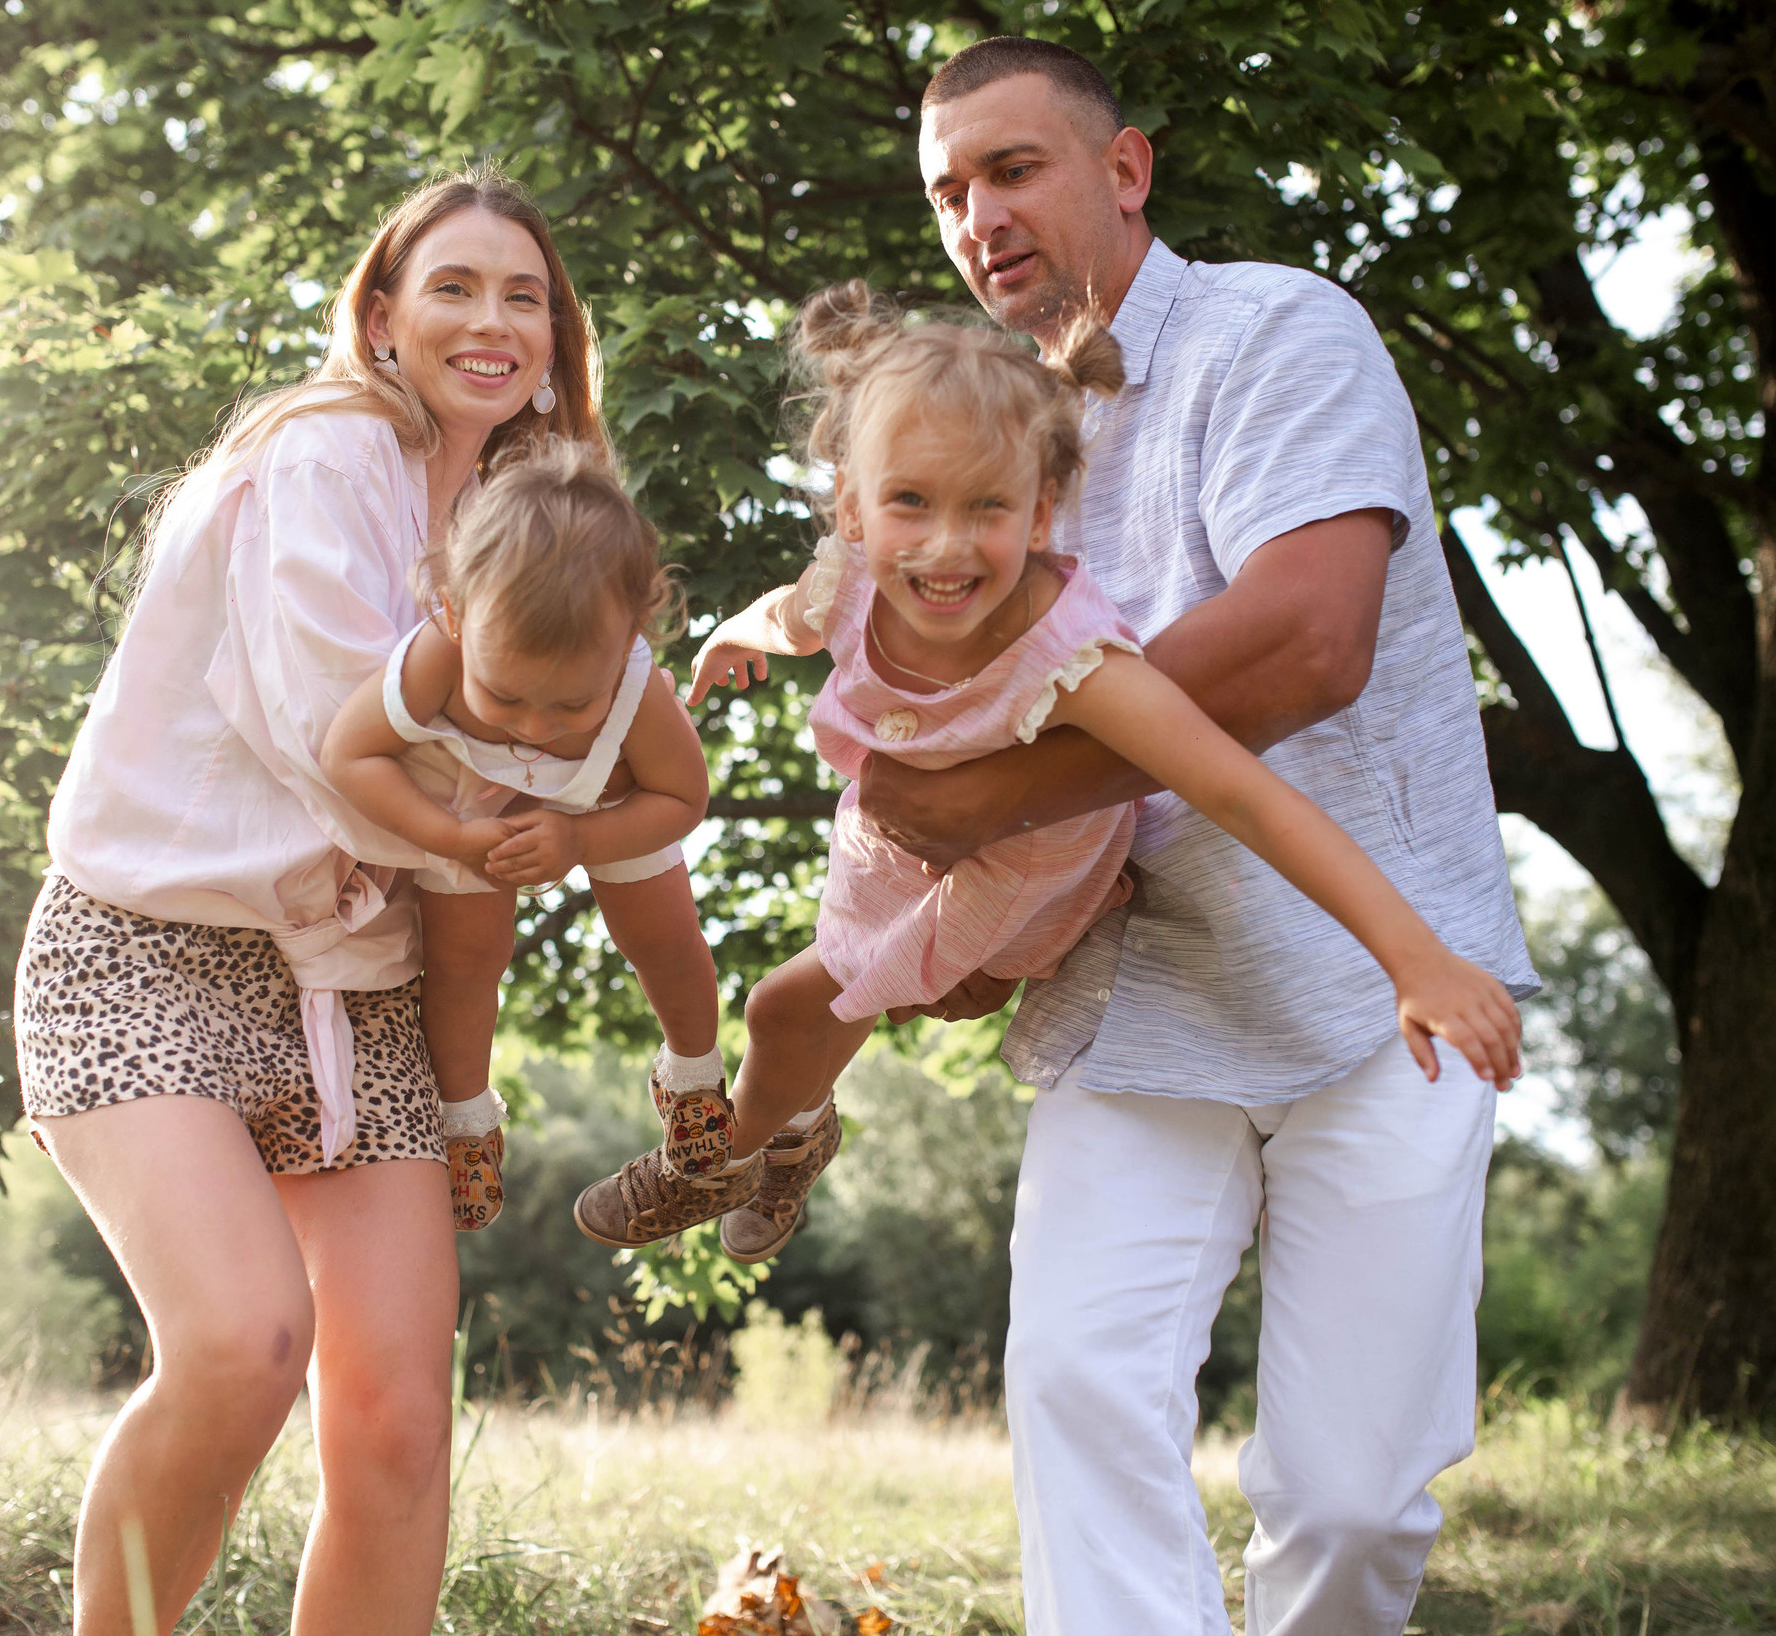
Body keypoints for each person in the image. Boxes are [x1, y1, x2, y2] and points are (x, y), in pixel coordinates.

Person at [901, 40, 1541, 1635]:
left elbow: (1307, 639)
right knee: (1075, 1386)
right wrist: (946, 905)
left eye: (1012, 168)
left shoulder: (1282, 330)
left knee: (1345, 1495)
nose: (978, 215)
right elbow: (908, 714)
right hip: (1137, 998)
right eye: (946, 190)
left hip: (1377, 976)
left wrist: (996, 782)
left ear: (1125, 171)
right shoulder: (976, 450)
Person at [572, 282, 1520, 1280]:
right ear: (852, 508)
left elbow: (1243, 794)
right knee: (832, 986)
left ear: (1042, 515)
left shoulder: (1071, 657)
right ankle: (796, 1142)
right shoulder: (850, 575)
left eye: (987, 507)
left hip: (1021, 864)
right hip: (895, 829)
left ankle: (718, 1163)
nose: (944, 546)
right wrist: (733, 635)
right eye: (908, 504)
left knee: (783, 1007)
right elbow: (790, 615)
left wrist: (1415, 958)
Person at [11, 166, 605, 1636]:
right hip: (147, 950)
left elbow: (563, 743)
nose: (493, 320)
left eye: (524, 296)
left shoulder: (525, 514)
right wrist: (486, 823)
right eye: (455, 286)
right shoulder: (333, 446)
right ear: (383, 316)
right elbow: (336, 714)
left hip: (356, 984)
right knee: (241, 1341)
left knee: (399, 1420)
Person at [319, 440, 728, 1231]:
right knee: (466, 965)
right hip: (474, 811)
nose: (536, 727)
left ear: (630, 636)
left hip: (613, 798)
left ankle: (695, 1076)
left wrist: (583, 840)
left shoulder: (636, 692)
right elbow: (351, 751)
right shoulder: (435, 654)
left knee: (666, 939)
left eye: (571, 706)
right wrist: (450, 836)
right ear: (454, 612)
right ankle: (466, 1122)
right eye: (504, 697)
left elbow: (683, 796)